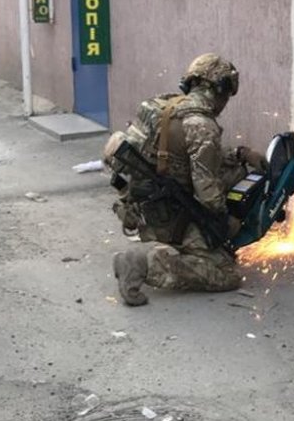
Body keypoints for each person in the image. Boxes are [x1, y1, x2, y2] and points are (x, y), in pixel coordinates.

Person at [110, 53, 267, 306]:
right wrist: (226, 222)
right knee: (226, 274)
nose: (225, 102)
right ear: (218, 88)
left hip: (142, 207)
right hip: (172, 215)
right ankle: (143, 265)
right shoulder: (202, 124)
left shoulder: (162, 105)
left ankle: (168, 247)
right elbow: (208, 193)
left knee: (234, 170)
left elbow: (182, 155)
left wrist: (240, 154)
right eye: (227, 94)